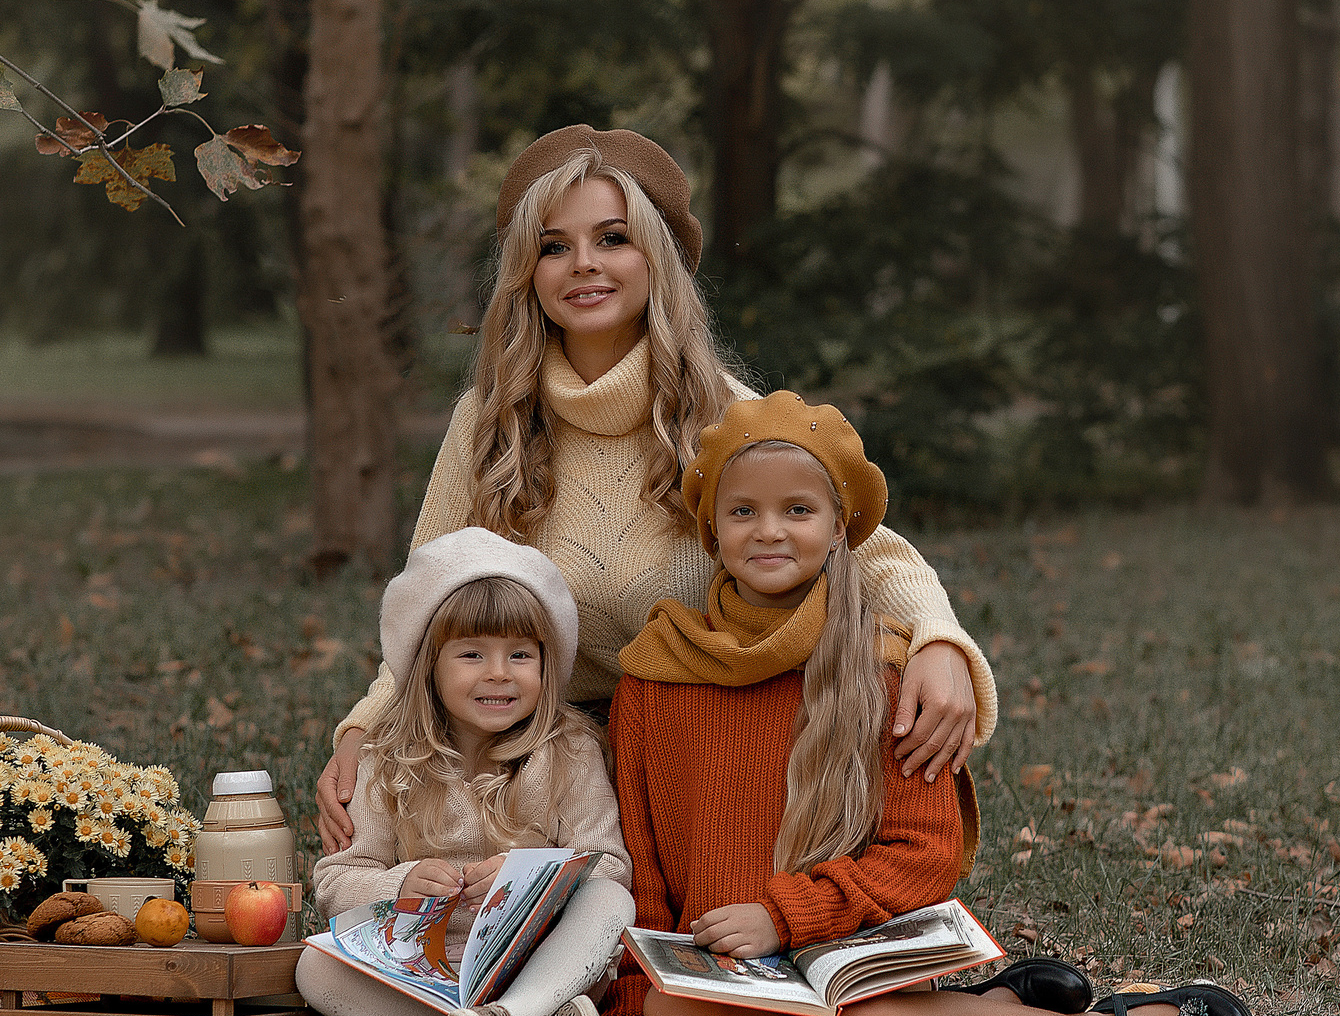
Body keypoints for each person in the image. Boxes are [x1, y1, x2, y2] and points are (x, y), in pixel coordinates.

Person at [316, 126, 997, 855]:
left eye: (613, 238)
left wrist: (940, 642)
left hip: (703, 758)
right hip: (546, 768)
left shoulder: (720, 412)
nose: (584, 264)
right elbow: (427, 611)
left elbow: (866, 546)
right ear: (527, 270)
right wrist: (363, 729)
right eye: (554, 246)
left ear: (656, 257)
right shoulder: (489, 424)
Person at [608, 392, 1256, 1016]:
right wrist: (634, 992)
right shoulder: (654, 677)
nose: (769, 530)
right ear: (711, 529)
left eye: (797, 509)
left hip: (851, 954)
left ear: (838, 527)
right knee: (669, 1010)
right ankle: (980, 1013)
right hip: (732, 974)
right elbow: (645, 861)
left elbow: (925, 851)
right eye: (743, 511)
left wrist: (785, 916)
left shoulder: (885, 668)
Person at [296, 528, 637, 1016]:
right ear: (429, 665)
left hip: (536, 962)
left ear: (547, 666)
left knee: (612, 904)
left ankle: (514, 1015)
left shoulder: (569, 751)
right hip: (420, 968)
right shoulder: (387, 758)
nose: (499, 674)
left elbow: (611, 868)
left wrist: (530, 876)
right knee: (314, 969)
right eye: (472, 654)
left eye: (520, 654)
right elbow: (335, 882)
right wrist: (400, 883)